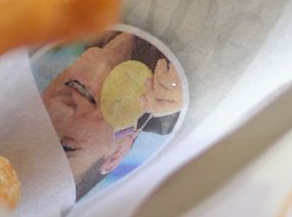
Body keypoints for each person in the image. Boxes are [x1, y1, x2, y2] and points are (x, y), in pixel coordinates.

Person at [37, 29, 185, 200]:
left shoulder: (79, 22)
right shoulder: (181, 105)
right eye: (67, 147)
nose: (58, 108)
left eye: (37, 121)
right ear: (117, 152)